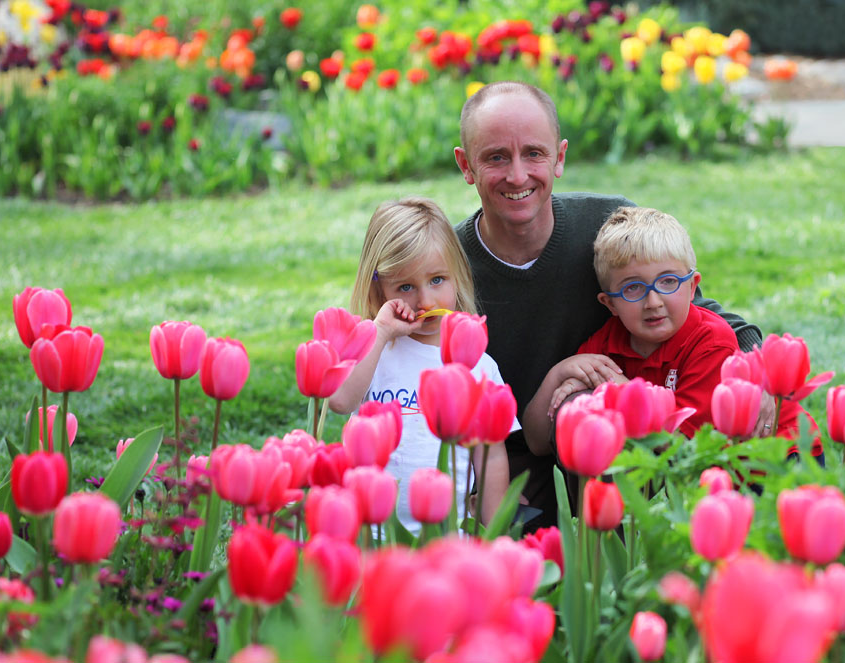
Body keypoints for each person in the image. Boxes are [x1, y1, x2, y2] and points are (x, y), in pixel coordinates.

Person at [452, 81, 769, 530]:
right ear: (466, 165)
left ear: (560, 157)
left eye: (535, 154)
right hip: (505, 460)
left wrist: (759, 365)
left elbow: (701, 313)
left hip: (610, 452)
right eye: (496, 157)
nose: (518, 175)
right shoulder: (447, 262)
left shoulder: (604, 229)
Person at [329, 196, 514, 533]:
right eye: (405, 287)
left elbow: (491, 455)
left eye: (437, 280)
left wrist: (493, 529)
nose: (426, 301)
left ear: (458, 275)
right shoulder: (376, 351)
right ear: (379, 289)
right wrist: (381, 332)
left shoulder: (476, 364)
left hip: (447, 537)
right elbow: (339, 400)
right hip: (374, 535)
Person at [524, 206, 757, 449]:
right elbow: (537, 442)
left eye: (668, 281)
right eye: (632, 288)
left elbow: (684, 449)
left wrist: (620, 389)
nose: (653, 302)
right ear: (610, 303)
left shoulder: (711, 342)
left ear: (692, 286)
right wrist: (558, 374)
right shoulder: (605, 345)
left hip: (766, 469)